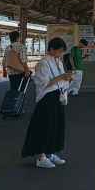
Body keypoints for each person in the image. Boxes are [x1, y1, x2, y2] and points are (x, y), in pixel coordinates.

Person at [22, 37, 72, 169]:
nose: (60, 54)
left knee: (55, 127)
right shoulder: (43, 63)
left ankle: (50, 153)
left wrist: (66, 78)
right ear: (51, 49)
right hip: (46, 99)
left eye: (62, 51)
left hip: (57, 97)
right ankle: (41, 156)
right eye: (58, 51)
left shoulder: (58, 62)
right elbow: (43, 84)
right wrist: (62, 77)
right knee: (44, 127)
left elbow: (58, 79)